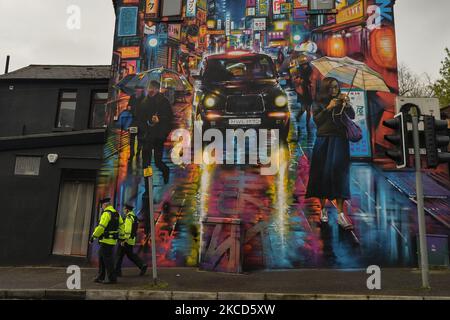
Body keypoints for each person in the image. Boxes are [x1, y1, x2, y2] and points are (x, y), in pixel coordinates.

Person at [305, 77, 355, 229]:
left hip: (340, 142)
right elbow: (317, 121)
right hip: (323, 141)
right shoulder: (318, 103)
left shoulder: (341, 101)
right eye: (332, 88)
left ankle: (340, 214)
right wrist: (328, 107)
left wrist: (347, 104)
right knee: (322, 175)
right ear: (326, 89)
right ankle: (323, 210)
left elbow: (351, 116)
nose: (335, 90)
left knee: (339, 174)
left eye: (337, 87)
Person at [139, 80, 174, 184]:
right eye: (149, 87)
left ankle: (165, 171)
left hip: (158, 136)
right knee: (146, 163)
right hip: (147, 136)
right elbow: (140, 118)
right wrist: (146, 124)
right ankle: (147, 184)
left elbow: (169, 118)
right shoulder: (144, 102)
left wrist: (160, 119)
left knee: (158, 162)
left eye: (153, 88)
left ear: (157, 89)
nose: (151, 90)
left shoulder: (164, 101)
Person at [90, 198, 123, 284]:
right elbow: (121, 226)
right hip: (112, 240)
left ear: (105, 205)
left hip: (106, 240)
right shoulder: (116, 214)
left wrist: (93, 236)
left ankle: (112, 279)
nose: (102, 208)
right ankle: (100, 276)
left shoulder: (106, 214)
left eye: (102, 206)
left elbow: (101, 227)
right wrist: (122, 237)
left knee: (108, 260)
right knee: (101, 257)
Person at [115, 204, 147, 277]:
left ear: (127, 210)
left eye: (124, 209)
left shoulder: (129, 218)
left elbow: (128, 230)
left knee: (119, 256)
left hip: (126, 240)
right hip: (131, 240)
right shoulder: (134, 217)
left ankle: (116, 272)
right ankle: (142, 265)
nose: (123, 211)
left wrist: (124, 240)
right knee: (130, 255)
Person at [292, 55, 313, 133]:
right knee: (303, 108)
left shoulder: (310, 70)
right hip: (302, 91)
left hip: (308, 90)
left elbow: (311, 79)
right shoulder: (298, 70)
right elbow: (295, 79)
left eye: (306, 64)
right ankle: (297, 117)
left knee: (308, 109)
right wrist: (299, 80)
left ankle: (307, 124)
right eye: (303, 64)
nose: (305, 65)